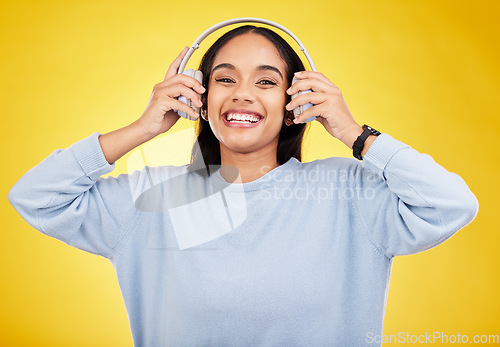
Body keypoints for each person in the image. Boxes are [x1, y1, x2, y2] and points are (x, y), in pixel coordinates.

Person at [8, 24, 478, 346]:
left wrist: (355, 134)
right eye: (224, 79)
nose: (242, 94)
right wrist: (144, 128)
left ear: (296, 99)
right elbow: (35, 197)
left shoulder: (348, 193)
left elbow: (451, 205)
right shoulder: (151, 199)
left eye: (267, 81)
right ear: (201, 96)